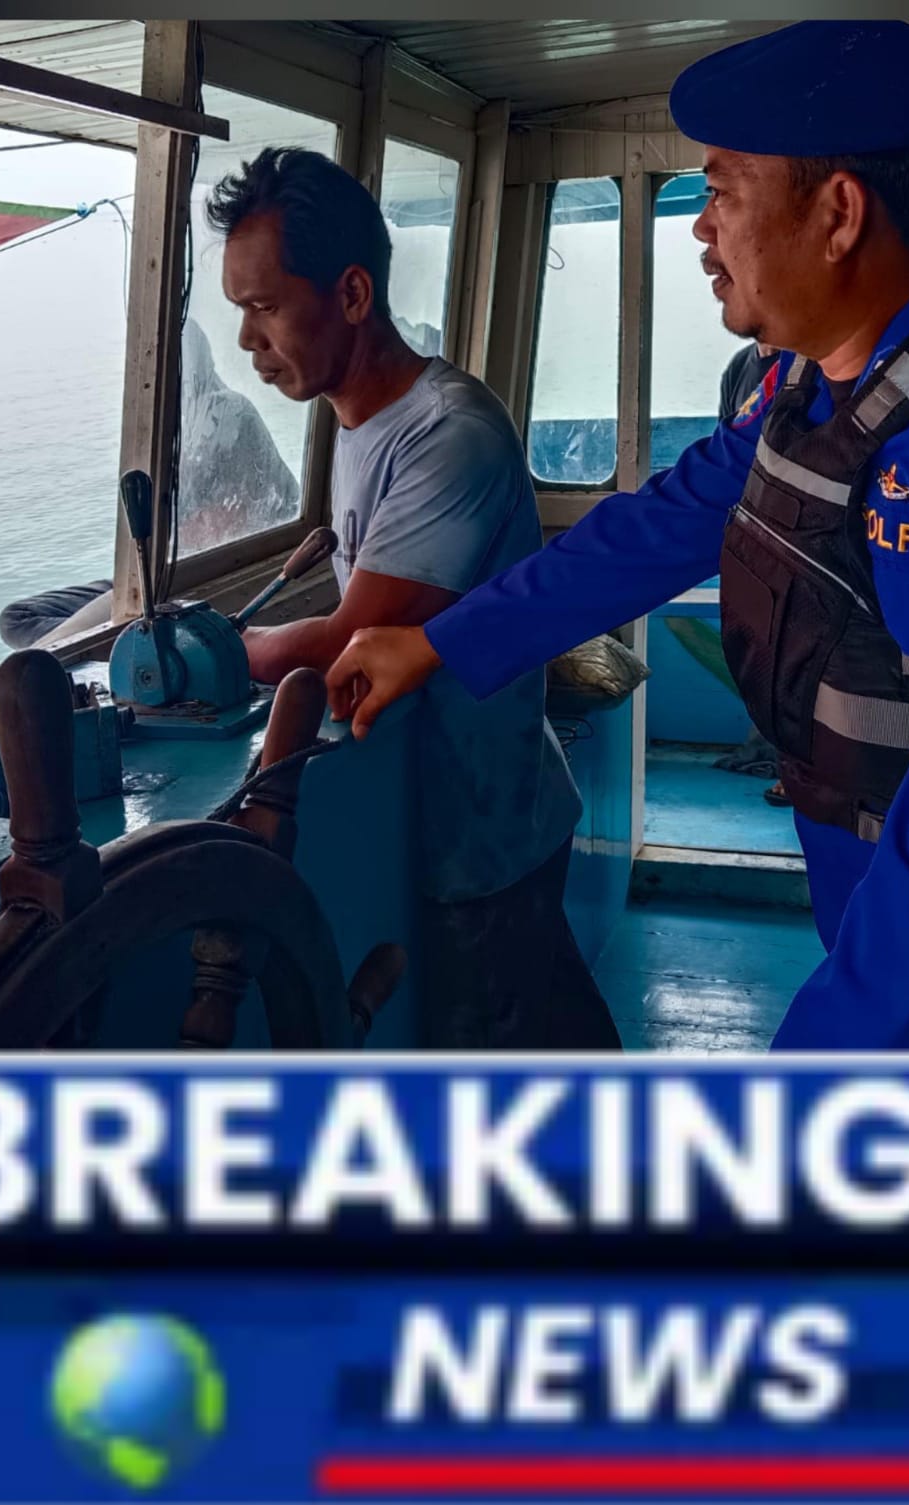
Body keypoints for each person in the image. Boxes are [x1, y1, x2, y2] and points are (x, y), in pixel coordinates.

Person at [323, 21, 909, 1051]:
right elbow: (663, 522)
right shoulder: (814, 390)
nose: (703, 230)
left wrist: (827, 1047)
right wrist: (440, 641)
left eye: (722, 191)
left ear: (838, 214)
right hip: (888, 950)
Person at [208, 146, 620, 1052]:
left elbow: (357, 636)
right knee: (552, 1026)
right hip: (463, 816)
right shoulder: (358, 422)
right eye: (240, 310)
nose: (247, 340)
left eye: (265, 306)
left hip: (488, 834)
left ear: (353, 294)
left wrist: (218, 650)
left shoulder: (449, 435)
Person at [0, 319, 301, 649]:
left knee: (50, 639)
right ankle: (107, 637)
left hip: (182, 577)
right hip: (164, 568)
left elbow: (188, 511)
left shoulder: (225, 412)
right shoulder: (184, 422)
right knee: (17, 618)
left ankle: (100, 643)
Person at [714, 340, 791, 807]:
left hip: (803, 543)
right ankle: (781, 759)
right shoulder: (740, 368)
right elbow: (726, 449)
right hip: (753, 536)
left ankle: (794, 769)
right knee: (764, 661)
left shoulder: (814, 364)